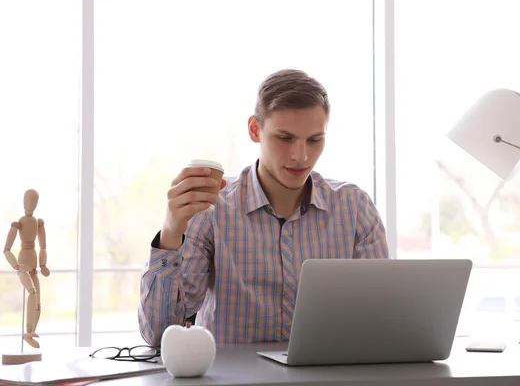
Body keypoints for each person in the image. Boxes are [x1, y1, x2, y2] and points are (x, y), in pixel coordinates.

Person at [138, 69, 390, 346]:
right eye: (285, 138)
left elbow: (380, 320)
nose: (301, 155)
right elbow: (159, 334)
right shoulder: (212, 211)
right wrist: (172, 232)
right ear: (255, 130)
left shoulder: (355, 208)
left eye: (314, 140)